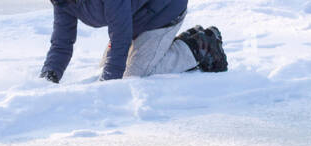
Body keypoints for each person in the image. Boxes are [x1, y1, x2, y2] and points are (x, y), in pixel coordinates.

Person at [40, 0, 226, 84]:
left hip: (163, 12)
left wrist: (109, 85)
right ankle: (159, 46)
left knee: (135, 73)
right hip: (133, 17)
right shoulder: (63, 3)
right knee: (104, 68)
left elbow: (120, 35)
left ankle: (200, 46)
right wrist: (49, 77)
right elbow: (61, 43)